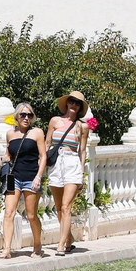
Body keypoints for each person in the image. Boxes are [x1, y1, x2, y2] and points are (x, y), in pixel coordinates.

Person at [0, 103, 46, 259]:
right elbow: (9, 156)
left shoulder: (37, 133)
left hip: (31, 177)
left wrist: (38, 176)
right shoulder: (10, 134)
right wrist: (0, 158)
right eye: (23, 115)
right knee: (8, 213)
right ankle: (7, 249)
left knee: (31, 215)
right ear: (16, 116)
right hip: (13, 177)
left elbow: (43, 156)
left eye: (29, 115)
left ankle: (37, 245)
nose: (26, 118)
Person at [47, 91, 90, 254]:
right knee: (58, 207)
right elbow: (47, 143)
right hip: (56, 163)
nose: (74, 105)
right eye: (71, 101)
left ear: (80, 107)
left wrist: (82, 174)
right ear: (67, 103)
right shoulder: (55, 121)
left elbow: (82, 151)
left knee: (66, 207)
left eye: (77, 103)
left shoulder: (82, 126)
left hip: (72, 163)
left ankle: (61, 244)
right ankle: (69, 237)